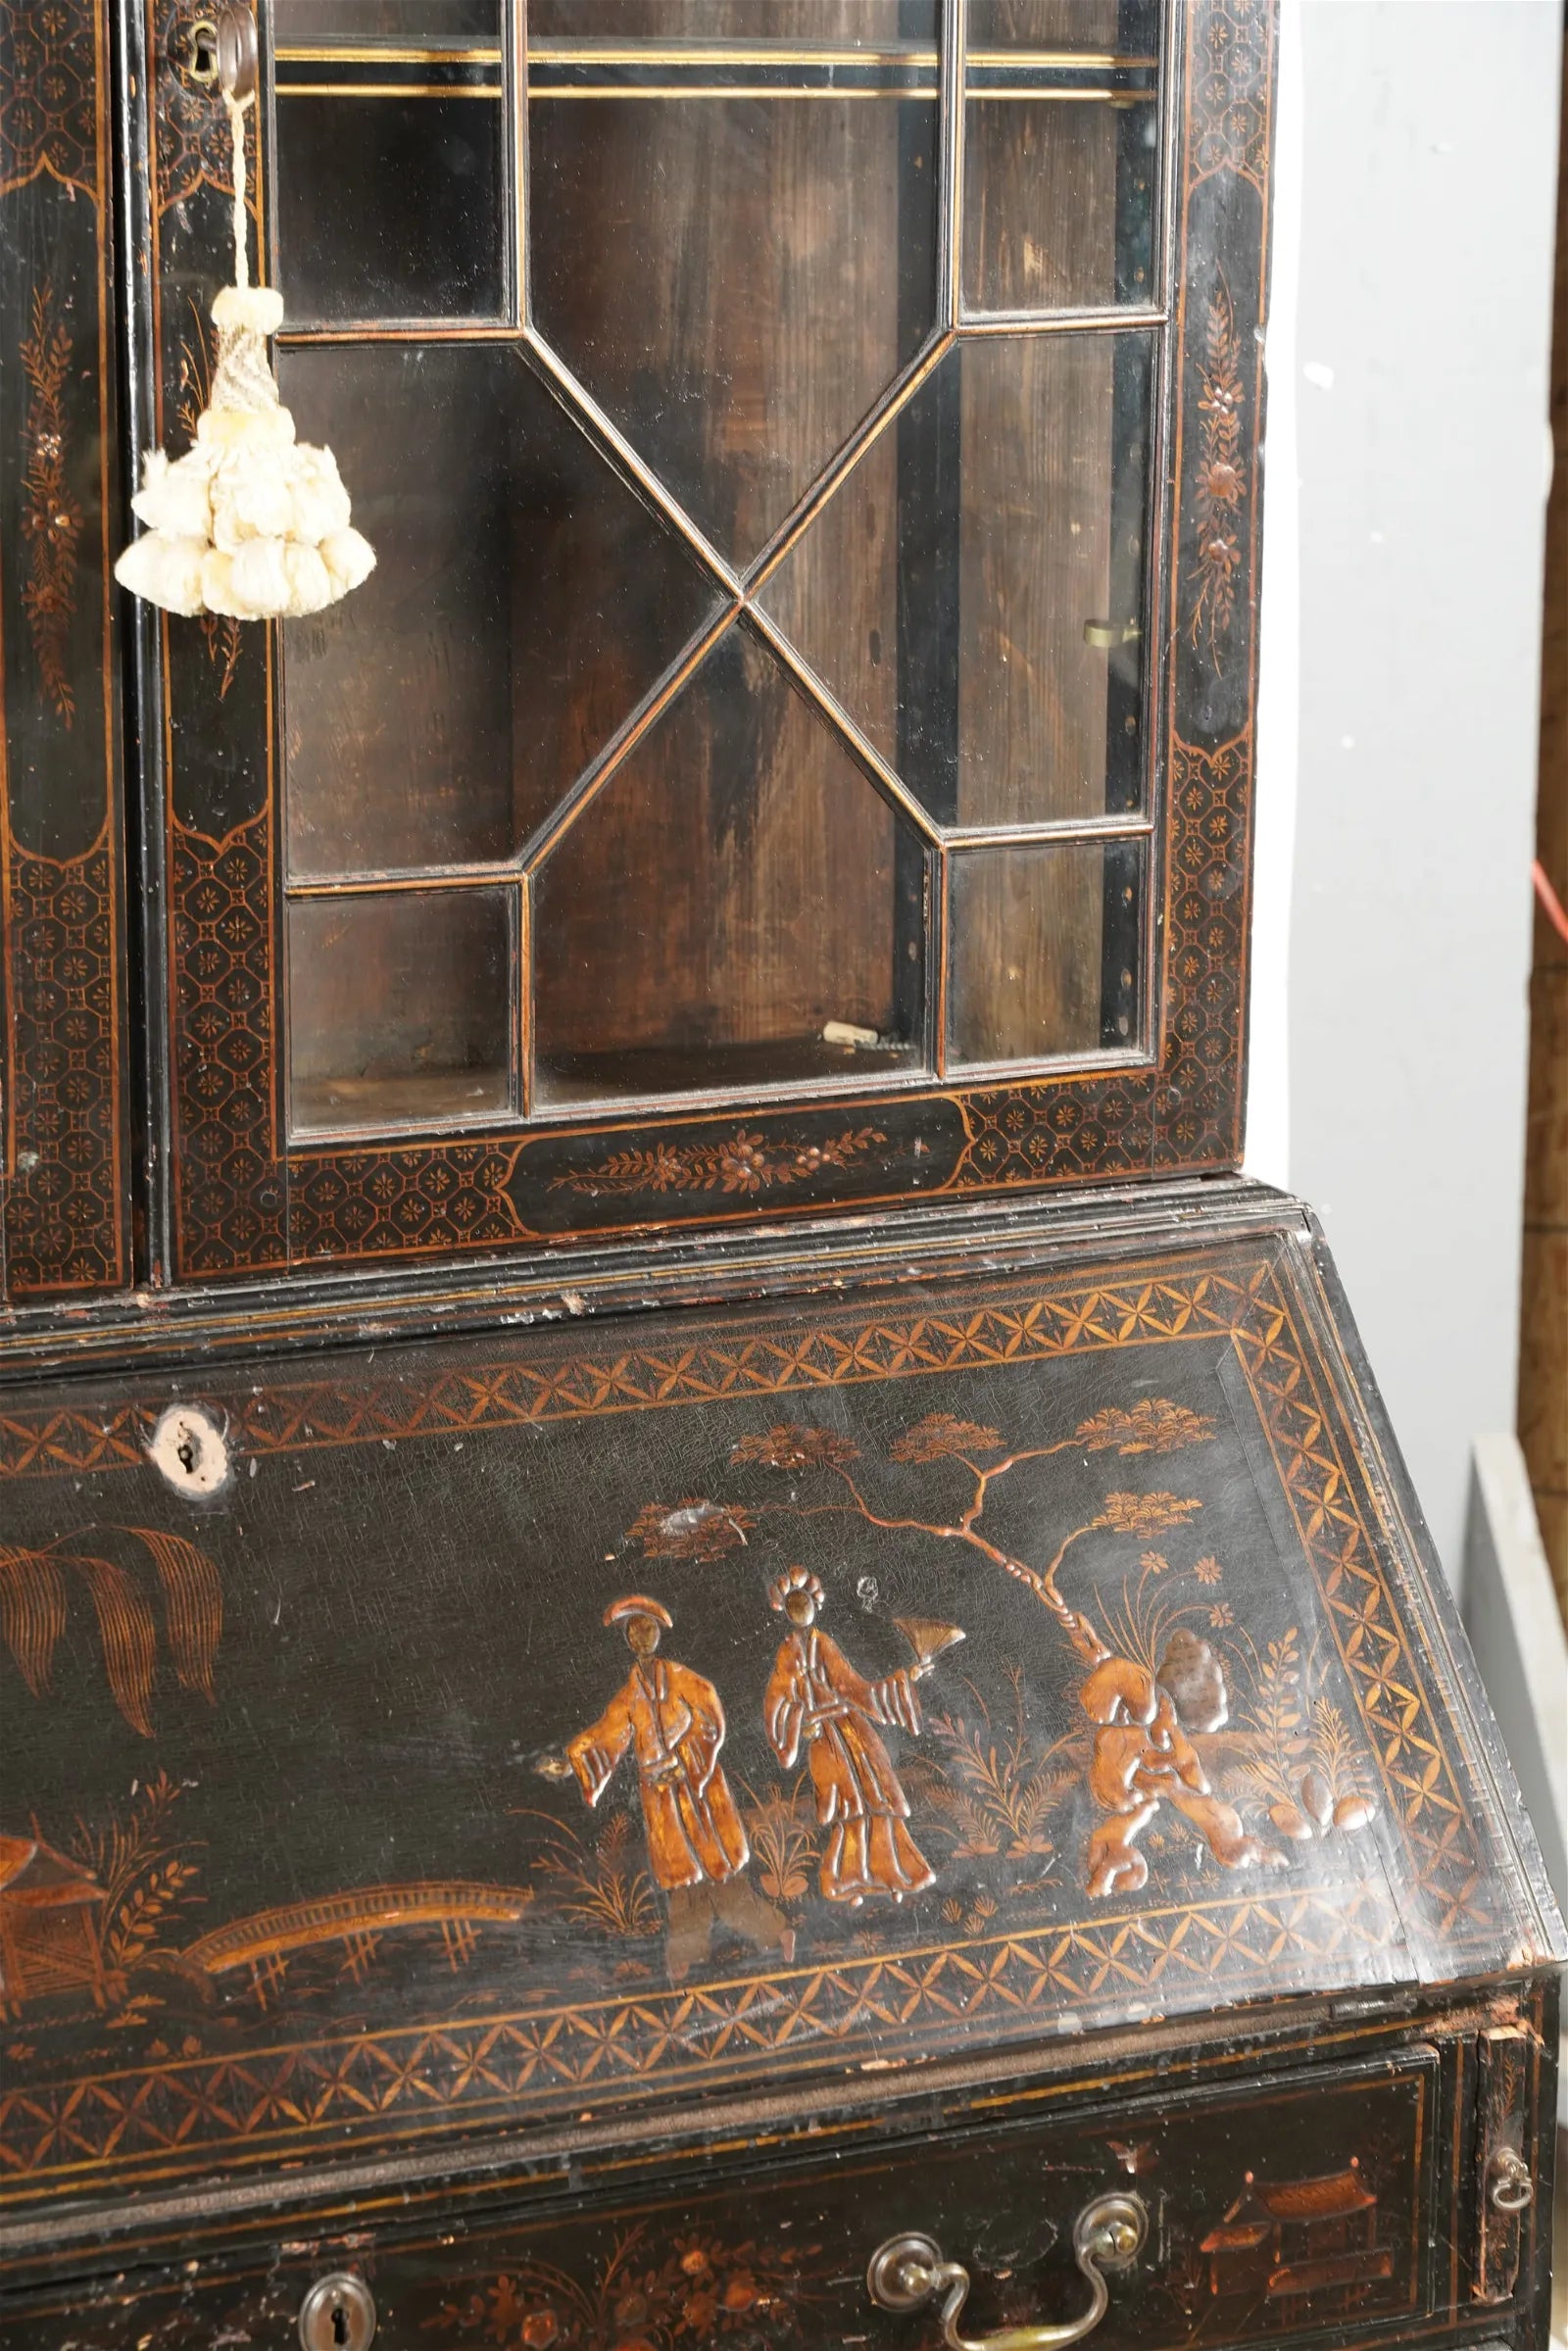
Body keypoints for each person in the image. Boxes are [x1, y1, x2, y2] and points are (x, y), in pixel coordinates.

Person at [559, 1594, 793, 1979]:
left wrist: (685, 1760)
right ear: (628, 1640)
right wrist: (575, 1758)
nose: (641, 1636)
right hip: (661, 1791)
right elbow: (608, 1734)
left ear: (657, 1633)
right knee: (682, 1883)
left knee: (724, 1874)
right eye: (634, 1631)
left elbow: (710, 1717)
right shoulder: (631, 1694)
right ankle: (687, 1952)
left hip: (697, 1782)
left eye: (647, 1628)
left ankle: (774, 1931)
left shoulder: (683, 1678)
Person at [762, 1567, 935, 1905]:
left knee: (877, 1798)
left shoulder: (824, 1644)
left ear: (815, 1606)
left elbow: (855, 1688)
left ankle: (895, 1873)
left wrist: (905, 1678)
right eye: (793, 1604)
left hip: (852, 1730)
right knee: (844, 1807)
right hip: (822, 1739)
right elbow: (777, 1701)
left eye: (805, 1602)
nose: (800, 1610)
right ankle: (848, 1879)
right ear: (786, 1609)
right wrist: (799, 1720)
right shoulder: (787, 1654)